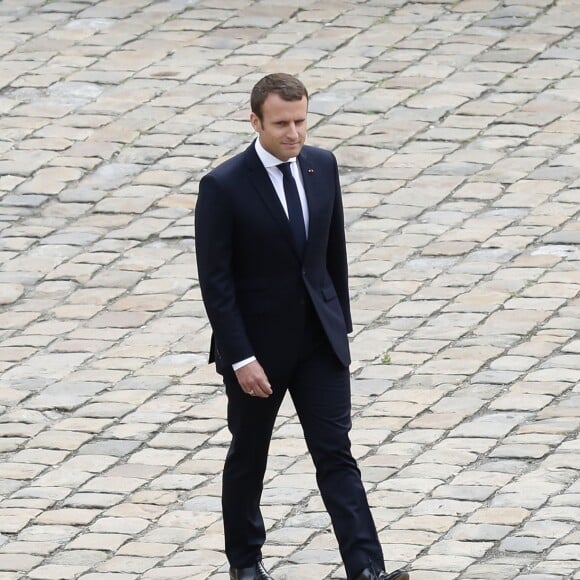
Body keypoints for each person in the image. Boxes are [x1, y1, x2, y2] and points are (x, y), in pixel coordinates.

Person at [195, 73, 409, 580]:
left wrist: (340, 328)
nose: (293, 133)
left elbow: (332, 254)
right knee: (249, 458)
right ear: (256, 122)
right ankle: (245, 564)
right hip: (258, 354)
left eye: (300, 122)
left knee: (337, 454)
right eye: (281, 124)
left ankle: (368, 571)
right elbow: (216, 283)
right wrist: (241, 357)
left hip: (318, 344)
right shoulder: (223, 186)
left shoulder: (322, 165)